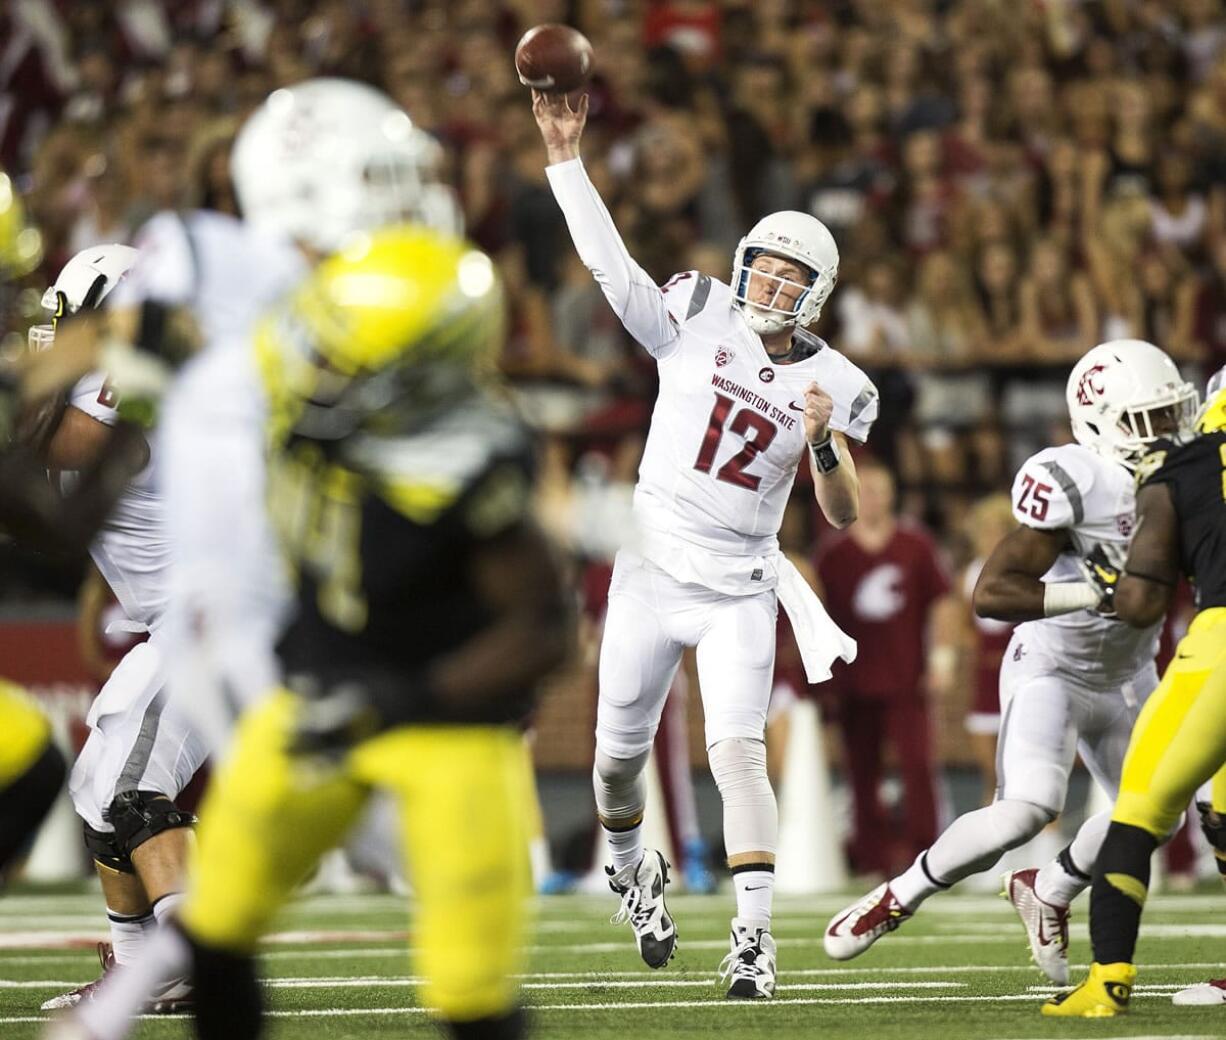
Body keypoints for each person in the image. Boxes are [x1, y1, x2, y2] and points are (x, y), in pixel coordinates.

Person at [61, 225, 572, 1040]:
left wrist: (412, 692)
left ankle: (157, 964)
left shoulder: (475, 452)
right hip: (313, 701)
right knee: (217, 921)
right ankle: (156, 965)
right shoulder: (280, 396)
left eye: (352, 346)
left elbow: (546, 628)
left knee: (472, 990)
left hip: (435, 727)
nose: (323, 359)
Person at [532, 89, 877, 999]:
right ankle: (632, 874)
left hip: (739, 582)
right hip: (648, 565)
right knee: (614, 763)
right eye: (760, 269)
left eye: (787, 279)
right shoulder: (694, 311)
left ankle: (754, 943)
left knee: (738, 752)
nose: (767, 287)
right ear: (741, 266)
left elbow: (842, 514)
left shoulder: (839, 383)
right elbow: (613, 272)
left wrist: (826, 441)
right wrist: (566, 160)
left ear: (816, 296)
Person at [825, 340, 1199, 988]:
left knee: (1158, 808)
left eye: (1172, 416)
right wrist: (1096, 591)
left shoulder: (1191, 477)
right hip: (1053, 665)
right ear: (1099, 423)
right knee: (1028, 806)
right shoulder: (1079, 479)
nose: (1166, 435)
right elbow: (992, 593)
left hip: (1132, 673)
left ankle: (1049, 887)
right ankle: (898, 895)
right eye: (1148, 421)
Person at [27, 245, 206, 1015]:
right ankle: (143, 973)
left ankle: (194, 960)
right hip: (185, 617)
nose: (57, 332)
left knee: (132, 786)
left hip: (217, 616)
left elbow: (69, 444)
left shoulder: (125, 366)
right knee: (98, 784)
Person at [1043, 365, 1226, 1018]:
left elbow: (1144, 603)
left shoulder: (1185, 468)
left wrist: (1107, 583)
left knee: (1140, 812)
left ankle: (1108, 982)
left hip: (1223, 639)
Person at [815, 458, 959, 875]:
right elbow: (817, 607)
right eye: (867, 491)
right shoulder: (835, 551)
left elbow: (944, 602)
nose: (875, 500)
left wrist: (943, 658)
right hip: (854, 679)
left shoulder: (916, 546)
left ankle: (926, 855)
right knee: (861, 772)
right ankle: (870, 858)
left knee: (917, 765)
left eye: (881, 491)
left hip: (906, 676)